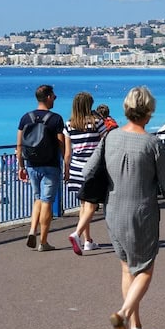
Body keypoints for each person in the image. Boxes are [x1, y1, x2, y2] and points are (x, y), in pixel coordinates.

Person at [86, 86, 165, 329]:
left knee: (126, 268)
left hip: (113, 211)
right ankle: (122, 314)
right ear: (149, 111)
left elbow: (88, 170)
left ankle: (135, 328)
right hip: (142, 213)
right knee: (144, 269)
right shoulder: (152, 143)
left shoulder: (110, 137)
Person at [16, 85, 65, 252]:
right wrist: (66, 165)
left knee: (37, 198)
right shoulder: (56, 119)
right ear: (48, 97)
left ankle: (32, 230)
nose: (55, 98)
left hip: (31, 164)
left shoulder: (25, 118)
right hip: (50, 165)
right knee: (47, 202)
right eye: (54, 95)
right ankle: (43, 242)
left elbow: (19, 145)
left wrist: (21, 166)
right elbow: (61, 144)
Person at [65, 92, 108, 255]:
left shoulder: (69, 124)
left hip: (76, 167)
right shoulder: (97, 122)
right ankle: (76, 234)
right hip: (93, 167)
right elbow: (106, 143)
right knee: (92, 204)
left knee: (83, 205)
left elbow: (68, 152)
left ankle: (87, 240)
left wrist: (67, 169)